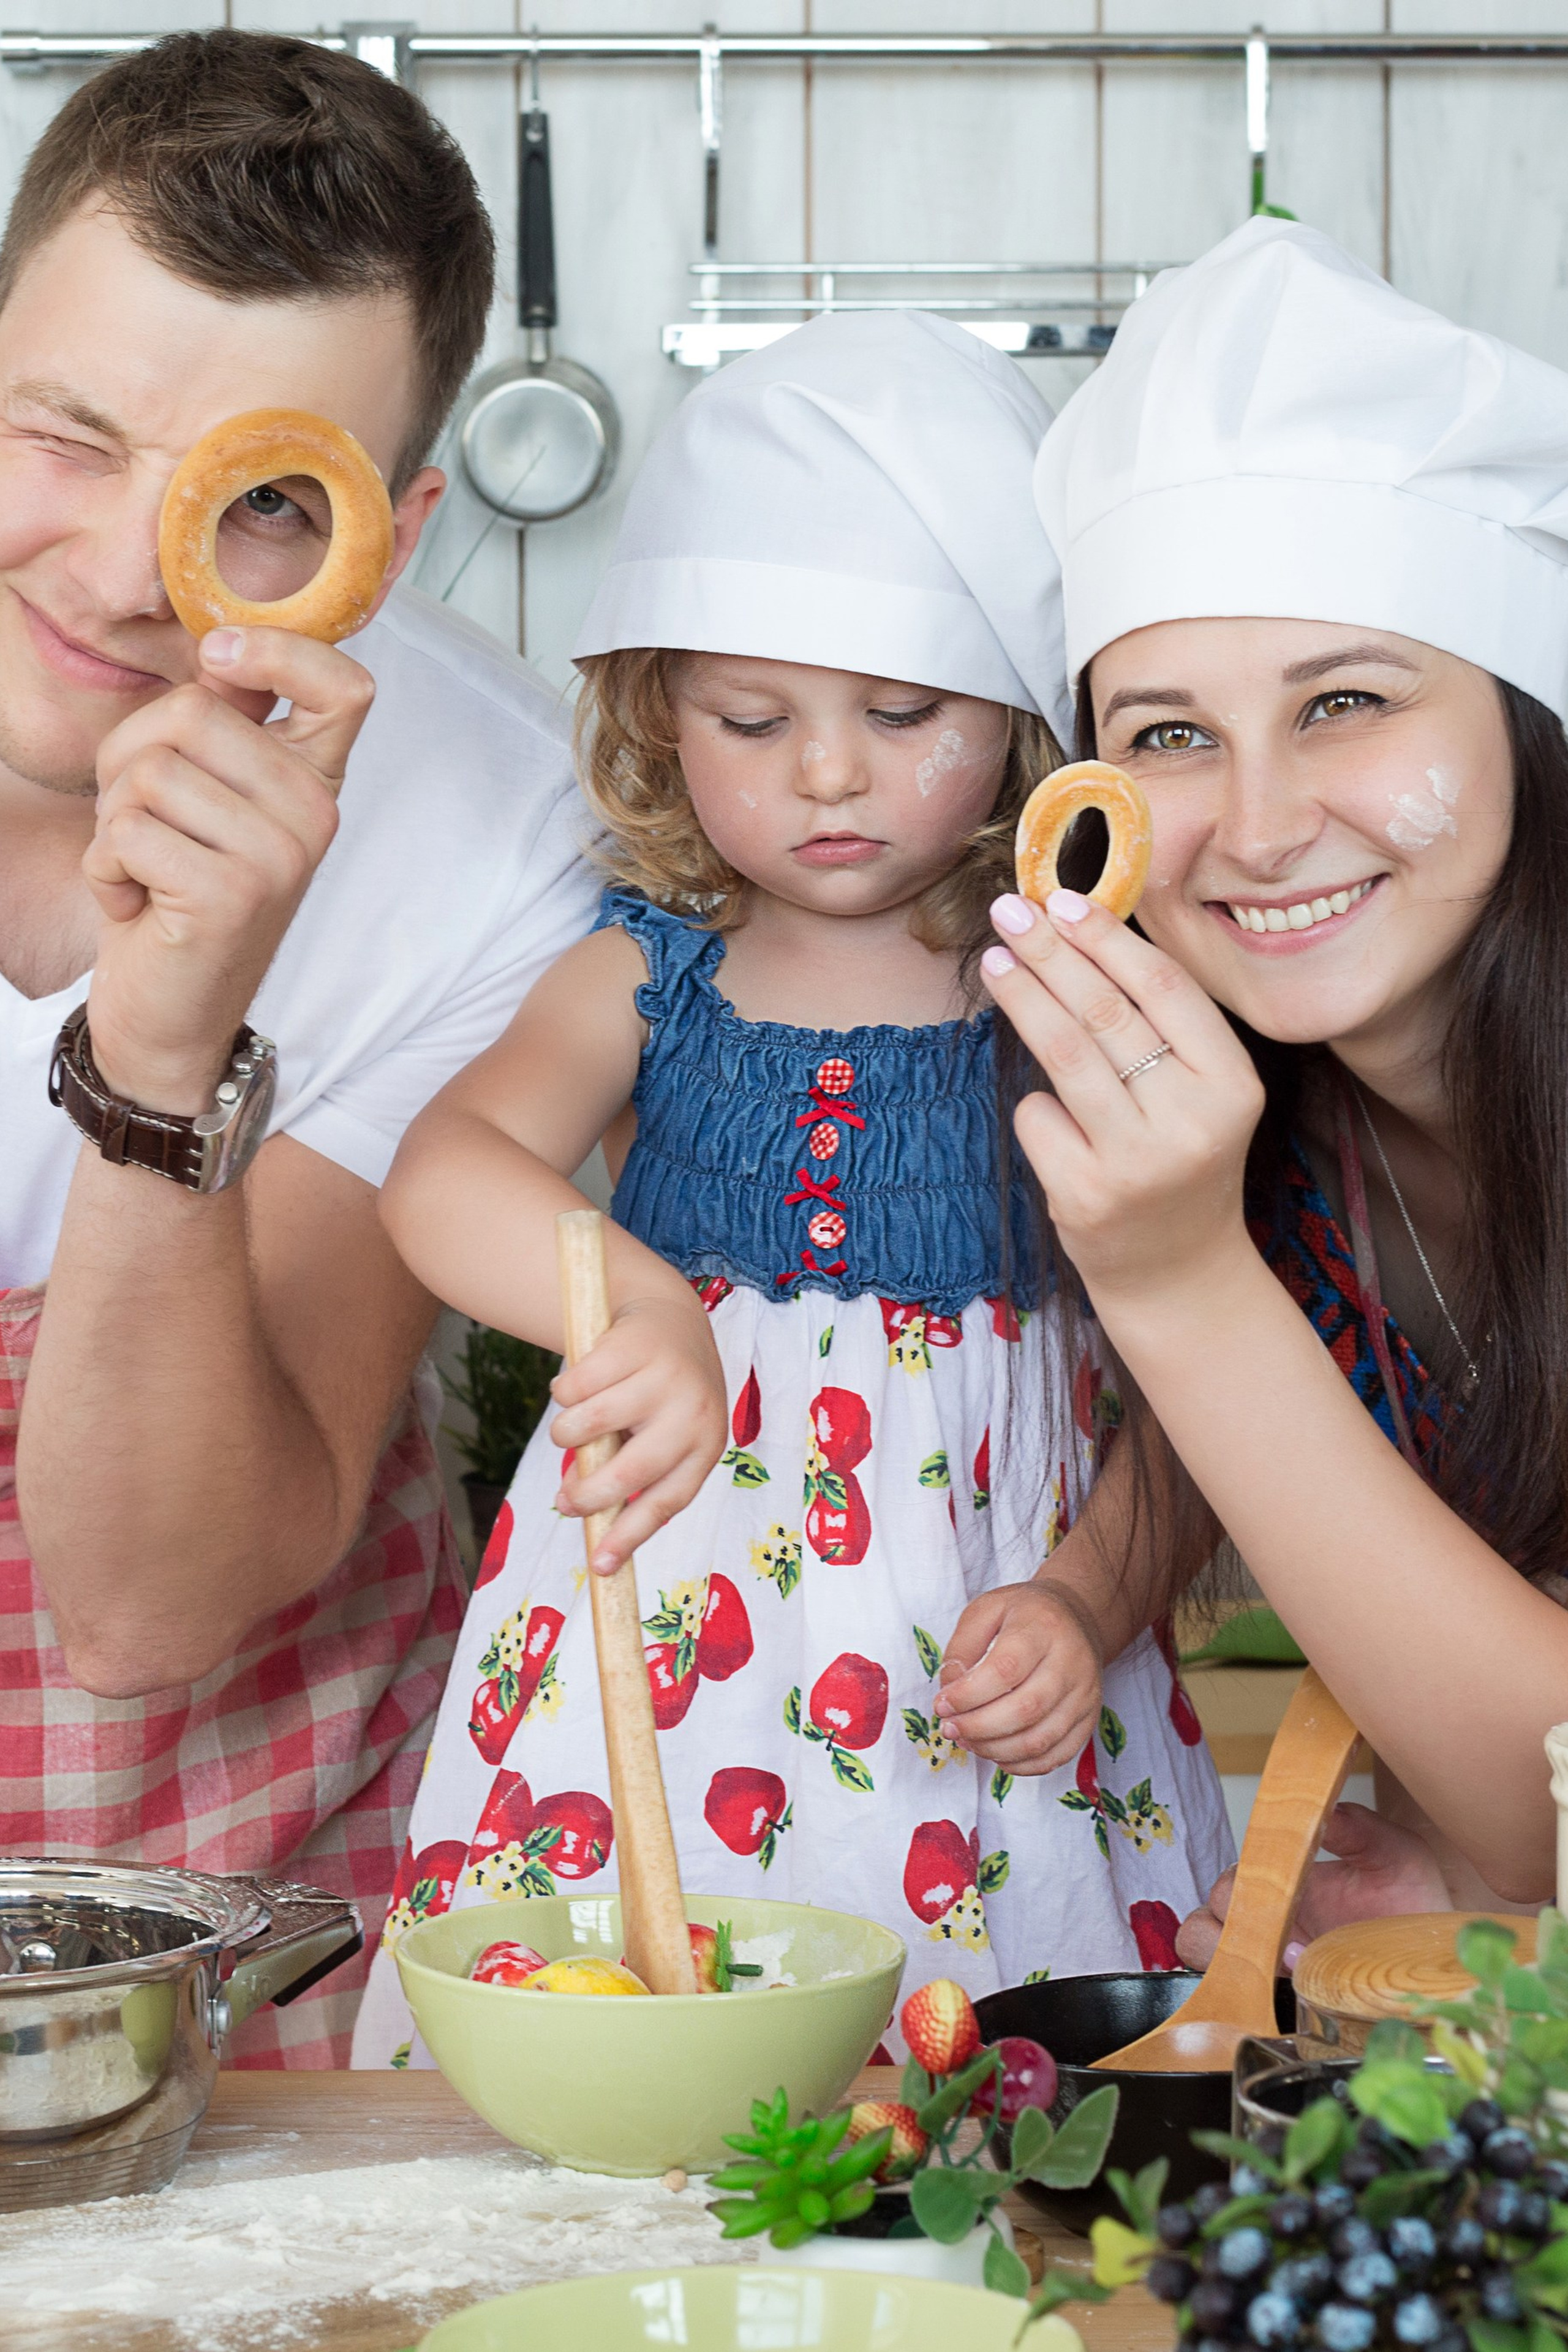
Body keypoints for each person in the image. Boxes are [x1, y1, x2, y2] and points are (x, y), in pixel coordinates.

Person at [352, 310, 1232, 2066]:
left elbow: (1208, 1390)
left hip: (991, 1685)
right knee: (627, 2062)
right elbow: (442, 1171)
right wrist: (641, 1300)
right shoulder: (647, 973)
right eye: (754, 717)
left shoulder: (1077, 988)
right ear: (656, 711)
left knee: (997, 2095)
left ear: (1019, 713)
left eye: (902, 713)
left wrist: (1090, 1603)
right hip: (659, 1671)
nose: (828, 773)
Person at [0, 31, 597, 2064]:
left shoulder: (503, 829)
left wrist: (165, 1050)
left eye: (256, 504)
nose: (110, 579)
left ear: (393, 530)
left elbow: (151, 1607)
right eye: (63, 436)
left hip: (261, 1934)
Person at [982, 216, 1568, 1962]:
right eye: (1168, 735)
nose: (1253, 826)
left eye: (1346, 703)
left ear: (1525, 726)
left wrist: (1178, 1284)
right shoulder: (1293, 1153)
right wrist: (1474, 1878)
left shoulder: (1206, 1229)